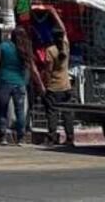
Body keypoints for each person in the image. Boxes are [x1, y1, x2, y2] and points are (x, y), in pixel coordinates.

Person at [0, 26, 44, 146]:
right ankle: (21, 138)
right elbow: (33, 70)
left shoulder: (3, 46)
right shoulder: (26, 49)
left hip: (3, 82)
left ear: (12, 36)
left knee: (3, 110)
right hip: (19, 84)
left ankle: (2, 137)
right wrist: (40, 85)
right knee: (20, 112)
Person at [40, 8, 75, 146]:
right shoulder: (65, 46)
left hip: (54, 88)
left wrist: (45, 85)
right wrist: (54, 13)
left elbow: (48, 71)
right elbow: (64, 29)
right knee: (67, 113)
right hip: (66, 86)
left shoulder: (50, 51)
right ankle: (70, 137)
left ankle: (52, 137)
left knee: (52, 113)